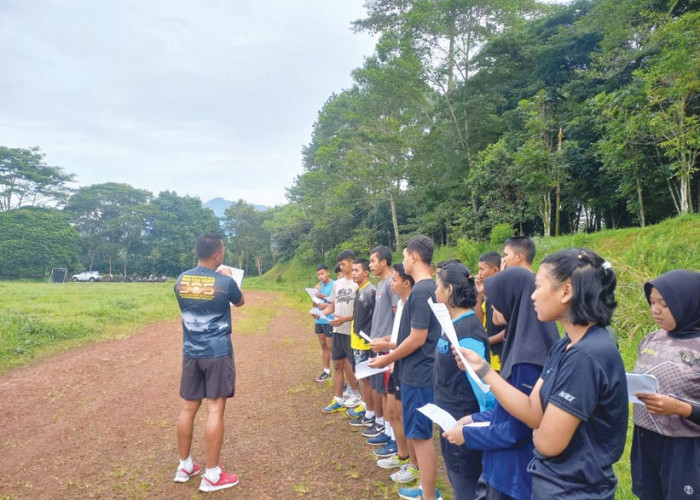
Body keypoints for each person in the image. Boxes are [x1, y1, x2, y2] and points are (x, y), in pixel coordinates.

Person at [453, 248, 628, 499]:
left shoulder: (586, 356)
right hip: (553, 483)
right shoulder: (565, 344)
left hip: (575, 490)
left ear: (566, 292)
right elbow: (533, 413)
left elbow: (546, 442)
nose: (532, 296)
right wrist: (483, 370)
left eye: (538, 286)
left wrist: (539, 428)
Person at [443, 266, 559, 500]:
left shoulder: (526, 359)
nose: (492, 308)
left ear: (511, 301)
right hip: (504, 469)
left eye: (495, 302)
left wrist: (469, 435)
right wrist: (475, 418)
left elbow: (519, 430)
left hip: (514, 477)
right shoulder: (523, 342)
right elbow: (508, 409)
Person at [370, 235, 443, 500]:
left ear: (413, 257)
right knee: (418, 433)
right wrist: (389, 346)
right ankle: (426, 489)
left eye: (404, 256)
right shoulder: (426, 288)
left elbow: (418, 338)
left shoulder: (423, 290)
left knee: (422, 436)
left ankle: (429, 494)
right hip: (415, 370)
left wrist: (387, 358)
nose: (403, 261)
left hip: (420, 372)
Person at [172, 233, 245, 493]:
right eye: (222, 250)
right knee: (215, 410)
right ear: (217, 254)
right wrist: (229, 276)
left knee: (188, 408)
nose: (223, 253)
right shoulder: (224, 282)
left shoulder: (180, 280)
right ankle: (212, 475)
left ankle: (184, 466)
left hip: (191, 352)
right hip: (217, 352)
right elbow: (240, 301)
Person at [631, 269, 700, 500]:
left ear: (687, 301)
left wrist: (680, 408)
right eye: (651, 302)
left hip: (686, 449)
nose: (655, 310)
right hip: (645, 441)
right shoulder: (651, 339)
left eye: (664, 304)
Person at [434, 263, 495, 500]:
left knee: (466, 489)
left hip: (464, 426)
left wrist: (476, 429)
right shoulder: (452, 324)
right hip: (449, 421)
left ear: (449, 290)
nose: (435, 290)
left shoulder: (468, 330)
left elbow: (484, 393)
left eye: (438, 285)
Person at [370, 264, 420, 484]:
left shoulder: (412, 304)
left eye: (395, 280)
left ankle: (415, 465)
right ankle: (402, 454)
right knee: (393, 413)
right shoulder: (400, 303)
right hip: (394, 362)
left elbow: (411, 339)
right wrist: (386, 341)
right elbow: (399, 334)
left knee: (405, 415)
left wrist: (388, 350)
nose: (392, 283)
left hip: (401, 364)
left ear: (407, 283)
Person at [361, 246, 399, 440]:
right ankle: (386, 429)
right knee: (381, 390)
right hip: (378, 345)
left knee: (387, 391)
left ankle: (393, 435)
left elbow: (397, 317)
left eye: (373, 261)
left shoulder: (393, 283)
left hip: (387, 347)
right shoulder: (383, 283)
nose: (370, 265)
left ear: (384, 261)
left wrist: (388, 343)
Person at [321, 250, 361, 413]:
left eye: (344, 263)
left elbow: (361, 312)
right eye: (340, 264)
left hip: (351, 331)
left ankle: (356, 395)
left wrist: (345, 319)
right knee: (337, 363)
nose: (341, 266)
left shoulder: (358, 284)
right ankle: (338, 398)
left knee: (350, 364)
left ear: (352, 262)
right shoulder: (338, 284)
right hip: (337, 329)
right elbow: (333, 305)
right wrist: (322, 313)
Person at [347, 258, 377, 421]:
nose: (353, 273)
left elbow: (375, 319)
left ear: (366, 272)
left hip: (365, 344)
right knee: (362, 378)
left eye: (356, 270)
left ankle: (371, 413)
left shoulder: (370, 291)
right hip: (356, 341)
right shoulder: (360, 290)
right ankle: (367, 408)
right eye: (352, 270)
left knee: (366, 379)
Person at [475, 252, 504, 371]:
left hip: (502, 356)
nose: (479, 273)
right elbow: (479, 320)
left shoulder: (504, 292)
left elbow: (511, 328)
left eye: (482, 269)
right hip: (489, 355)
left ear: (495, 270)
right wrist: (479, 293)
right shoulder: (487, 293)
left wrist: (488, 340)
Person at [311, 265, 335, 382]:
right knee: (323, 346)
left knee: (332, 347)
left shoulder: (334, 285)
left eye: (322, 274)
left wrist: (324, 297)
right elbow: (314, 305)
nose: (321, 276)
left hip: (329, 319)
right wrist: (315, 294)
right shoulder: (318, 287)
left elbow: (335, 303)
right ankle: (326, 371)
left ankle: (338, 372)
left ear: (328, 273)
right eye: (318, 275)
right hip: (319, 320)